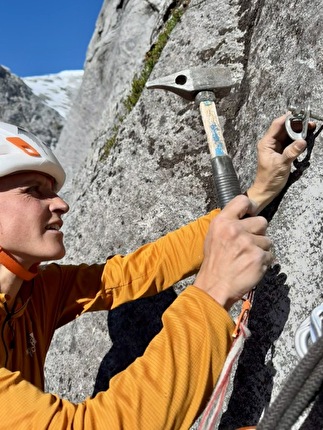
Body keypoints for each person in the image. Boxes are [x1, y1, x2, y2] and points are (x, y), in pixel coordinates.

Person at [0, 114, 309, 429]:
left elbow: (134, 272)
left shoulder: (33, 292)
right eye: (34, 191)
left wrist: (256, 193)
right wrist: (212, 292)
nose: (61, 204)